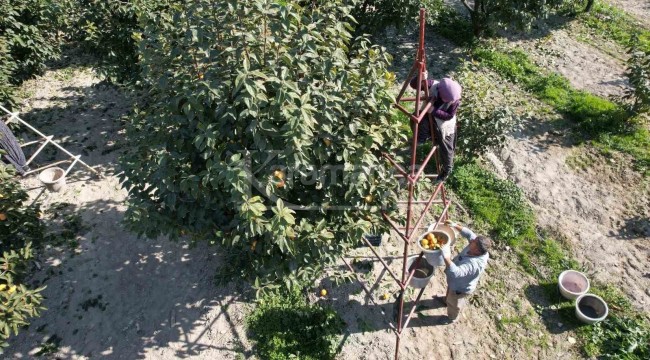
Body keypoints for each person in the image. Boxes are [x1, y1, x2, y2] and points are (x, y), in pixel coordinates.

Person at [408, 72, 461, 183]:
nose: (447, 101)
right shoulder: (433, 85)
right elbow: (413, 85)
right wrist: (420, 78)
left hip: (445, 126)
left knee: (447, 151)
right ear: (440, 91)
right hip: (429, 118)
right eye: (444, 98)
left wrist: (434, 111)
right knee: (416, 119)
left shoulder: (454, 99)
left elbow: (449, 115)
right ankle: (422, 138)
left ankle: (446, 171)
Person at [437, 220, 492, 323]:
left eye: (474, 243)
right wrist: (454, 225)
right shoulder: (478, 247)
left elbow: (456, 273)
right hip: (454, 282)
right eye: (474, 240)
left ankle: (451, 318)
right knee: (450, 291)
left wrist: (446, 256)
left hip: (460, 288)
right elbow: (469, 234)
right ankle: (445, 300)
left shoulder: (474, 265)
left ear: (477, 251)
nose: (471, 241)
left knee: (454, 303)